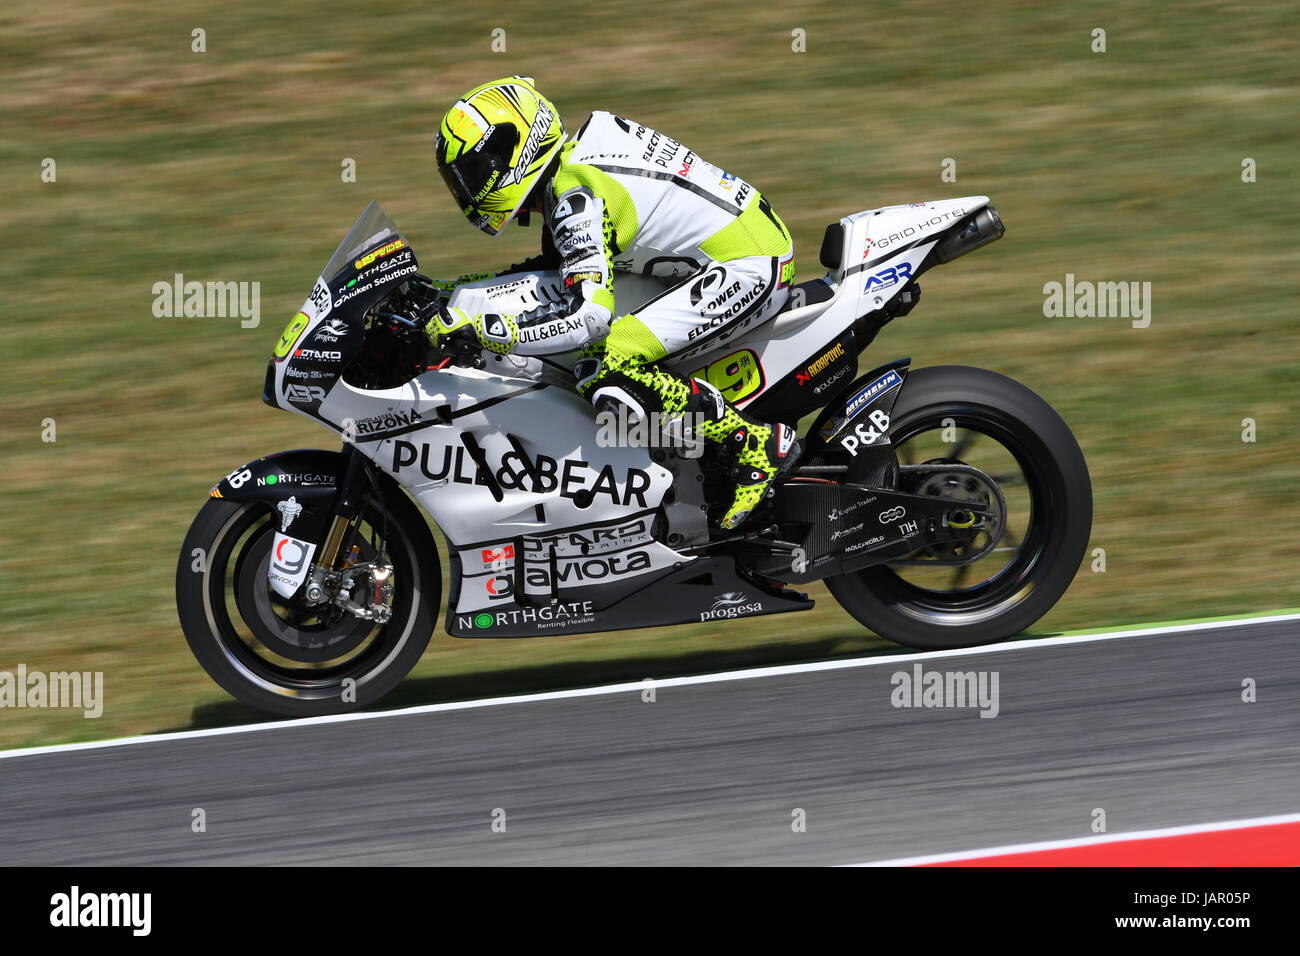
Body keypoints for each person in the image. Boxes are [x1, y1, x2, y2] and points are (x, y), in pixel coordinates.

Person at [426, 75, 800, 531]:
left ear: (513, 151)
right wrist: (445, 291)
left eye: (474, 171)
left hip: (748, 264)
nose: (468, 189)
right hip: (706, 259)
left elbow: (589, 316)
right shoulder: (567, 175)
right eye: (459, 180)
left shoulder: (575, 196)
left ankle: (752, 443)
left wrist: (495, 331)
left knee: (608, 363)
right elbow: (549, 276)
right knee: (591, 356)